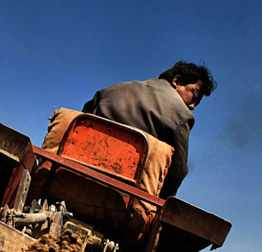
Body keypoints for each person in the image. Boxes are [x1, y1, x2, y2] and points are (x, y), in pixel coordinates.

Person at [82, 61, 216, 198]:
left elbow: (82, 119)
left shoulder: (113, 89)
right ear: (177, 81)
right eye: (193, 95)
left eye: (197, 103)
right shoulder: (181, 115)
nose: (193, 106)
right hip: (125, 195)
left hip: (79, 173)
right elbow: (178, 172)